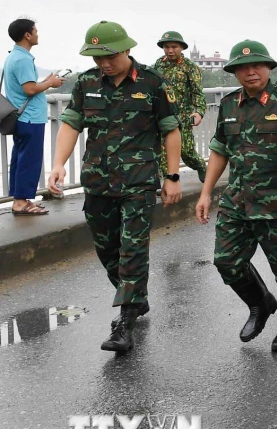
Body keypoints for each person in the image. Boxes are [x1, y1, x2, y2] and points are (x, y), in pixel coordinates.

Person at [48, 21, 182, 353]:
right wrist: (58, 164)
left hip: (138, 183)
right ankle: (136, 298)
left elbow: (170, 130)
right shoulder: (87, 83)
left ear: (126, 49)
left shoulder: (153, 83)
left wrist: (173, 176)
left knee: (133, 249)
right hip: (97, 181)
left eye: (108, 56)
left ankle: (124, 322)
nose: (104, 64)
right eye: (97, 58)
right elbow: (71, 124)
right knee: (107, 248)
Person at [196, 40, 277, 352]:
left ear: (268, 68)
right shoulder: (228, 105)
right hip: (238, 201)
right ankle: (260, 303)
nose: (251, 72)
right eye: (243, 68)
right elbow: (219, 150)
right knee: (226, 261)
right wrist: (206, 193)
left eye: (257, 66)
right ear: (235, 72)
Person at [4, 18, 64, 216]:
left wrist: (46, 81)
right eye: (35, 31)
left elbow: (28, 86)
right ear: (27, 35)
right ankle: (21, 202)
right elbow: (29, 89)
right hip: (30, 118)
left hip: (22, 117)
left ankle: (20, 199)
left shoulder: (15, 56)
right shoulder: (23, 59)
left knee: (21, 160)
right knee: (29, 160)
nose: (37, 34)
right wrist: (51, 84)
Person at [153, 31, 208, 183]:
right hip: (164, 116)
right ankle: (167, 182)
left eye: (174, 47)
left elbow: (198, 92)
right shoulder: (159, 64)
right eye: (166, 47)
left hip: (183, 117)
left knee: (186, 151)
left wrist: (199, 112)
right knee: (163, 151)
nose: (170, 50)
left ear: (181, 47)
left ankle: (201, 166)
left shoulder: (190, 67)